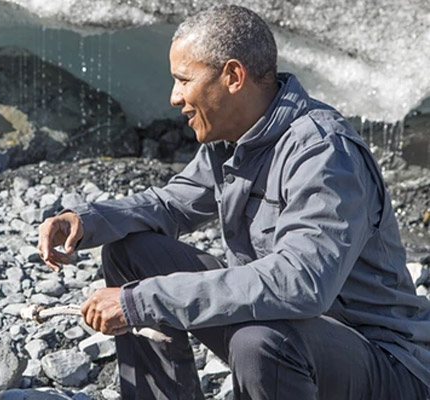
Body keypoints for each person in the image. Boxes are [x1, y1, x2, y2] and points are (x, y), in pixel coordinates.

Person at [38, 5, 430, 400]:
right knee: (132, 251)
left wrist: (141, 301)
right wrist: (87, 221)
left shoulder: (324, 153)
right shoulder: (232, 138)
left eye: (183, 80)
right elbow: (173, 204)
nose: (174, 97)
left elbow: (302, 284)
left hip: (383, 363)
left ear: (233, 76)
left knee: (258, 341)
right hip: (290, 331)